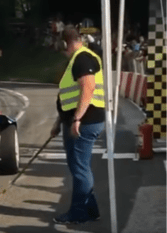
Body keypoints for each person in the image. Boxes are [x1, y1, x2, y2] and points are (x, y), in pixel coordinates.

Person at [50, 25, 105, 224]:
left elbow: (88, 88)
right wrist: (59, 121)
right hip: (78, 121)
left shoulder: (82, 59)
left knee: (80, 168)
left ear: (65, 43)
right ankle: (91, 210)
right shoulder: (79, 59)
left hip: (85, 122)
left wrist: (77, 119)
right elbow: (68, 98)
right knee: (80, 168)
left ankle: (79, 212)